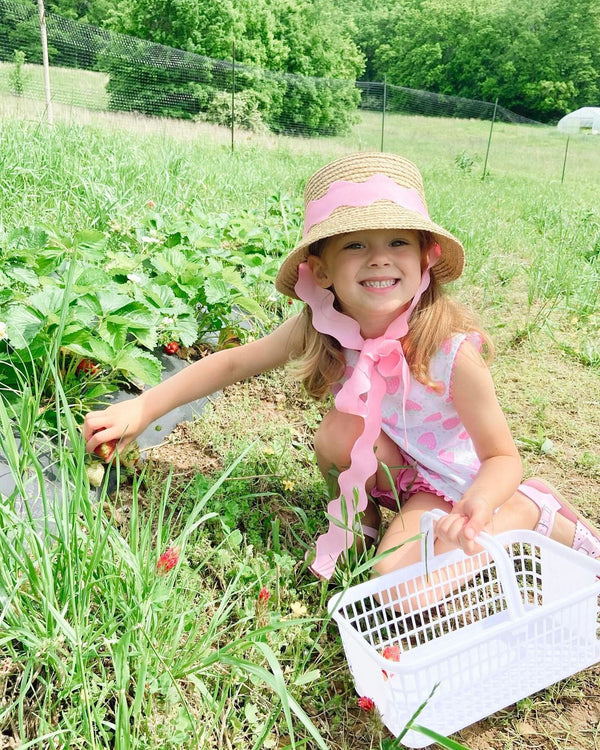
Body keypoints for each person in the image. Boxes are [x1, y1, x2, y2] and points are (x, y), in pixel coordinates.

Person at [83, 151, 600, 583]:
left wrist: (481, 504)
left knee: (396, 586)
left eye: (397, 241)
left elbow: (504, 457)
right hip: (408, 470)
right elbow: (234, 362)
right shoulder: (326, 326)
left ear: (424, 258)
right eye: (356, 244)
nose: (379, 258)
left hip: (461, 484)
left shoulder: (449, 351)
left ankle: (527, 513)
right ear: (322, 269)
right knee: (339, 433)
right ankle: (362, 522)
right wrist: (145, 406)